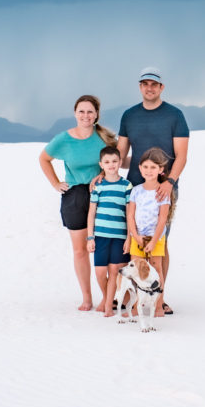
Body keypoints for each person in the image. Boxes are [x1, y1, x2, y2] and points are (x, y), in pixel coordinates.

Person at [116, 67, 189, 314]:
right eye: (145, 84)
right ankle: (137, 299)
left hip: (163, 190)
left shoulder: (175, 115)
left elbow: (181, 156)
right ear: (140, 87)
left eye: (154, 84)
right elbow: (122, 154)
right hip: (135, 189)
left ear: (161, 87)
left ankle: (160, 298)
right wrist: (106, 171)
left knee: (160, 243)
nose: (149, 88)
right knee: (135, 240)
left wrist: (169, 183)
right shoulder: (129, 116)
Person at [39, 95, 117, 311]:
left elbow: (114, 160)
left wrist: (101, 173)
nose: (86, 115)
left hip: (101, 194)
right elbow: (43, 159)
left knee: (105, 247)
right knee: (80, 250)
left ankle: (108, 297)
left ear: (96, 115)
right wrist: (56, 183)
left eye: (90, 111)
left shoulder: (104, 137)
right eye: (81, 111)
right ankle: (86, 298)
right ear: (75, 113)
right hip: (74, 197)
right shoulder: (63, 139)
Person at [85, 146, 132, 317]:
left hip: (119, 236)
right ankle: (107, 298)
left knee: (114, 271)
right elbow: (91, 213)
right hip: (100, 236)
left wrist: (129, 238)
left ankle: (108, 308)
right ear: (101, 164)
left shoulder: (127, 185)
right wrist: (90, 237)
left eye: (114, 161)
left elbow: (129, 214)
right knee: (99, 272)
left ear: (120, 162)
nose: (111, 165)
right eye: (107, 162)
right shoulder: (98, 186)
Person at [126, 148, 173, 317]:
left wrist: (153, 240)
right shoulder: (136, 190)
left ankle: (158, 305)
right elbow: (130, 215)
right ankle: (136, 305)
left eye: (153, 167)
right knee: (136, 271)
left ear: (161, 170)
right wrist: (135, 236)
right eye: (145, 166)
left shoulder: (162, 192)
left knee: (156, 269)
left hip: (156, 238)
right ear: (139, 168)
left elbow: (162, 219)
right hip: (138, 237)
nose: (148, 170)